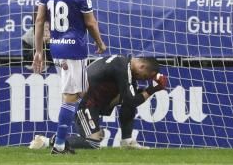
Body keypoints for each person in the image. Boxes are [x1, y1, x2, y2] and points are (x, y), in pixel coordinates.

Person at [31, 0, 107, 155]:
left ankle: (60, 140)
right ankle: (59, 144)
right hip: (74, 48)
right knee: (71, 96)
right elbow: (90, 23)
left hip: (56, 46)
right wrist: (100, 43)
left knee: (81, 91)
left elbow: (39, 20)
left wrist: (39, 51)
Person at [31, 56, 169, 150]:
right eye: (143, 76)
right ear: (141, 65)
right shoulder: (122, 68)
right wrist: (153, 89)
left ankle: (127, 141)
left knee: (129, 100)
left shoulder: (125, 66)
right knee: (92, 143)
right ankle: (46, 141)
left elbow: (131, 99)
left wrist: (150, 89)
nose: (141, 79)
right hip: (84, 104)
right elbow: (132, 100)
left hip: (97, 102)